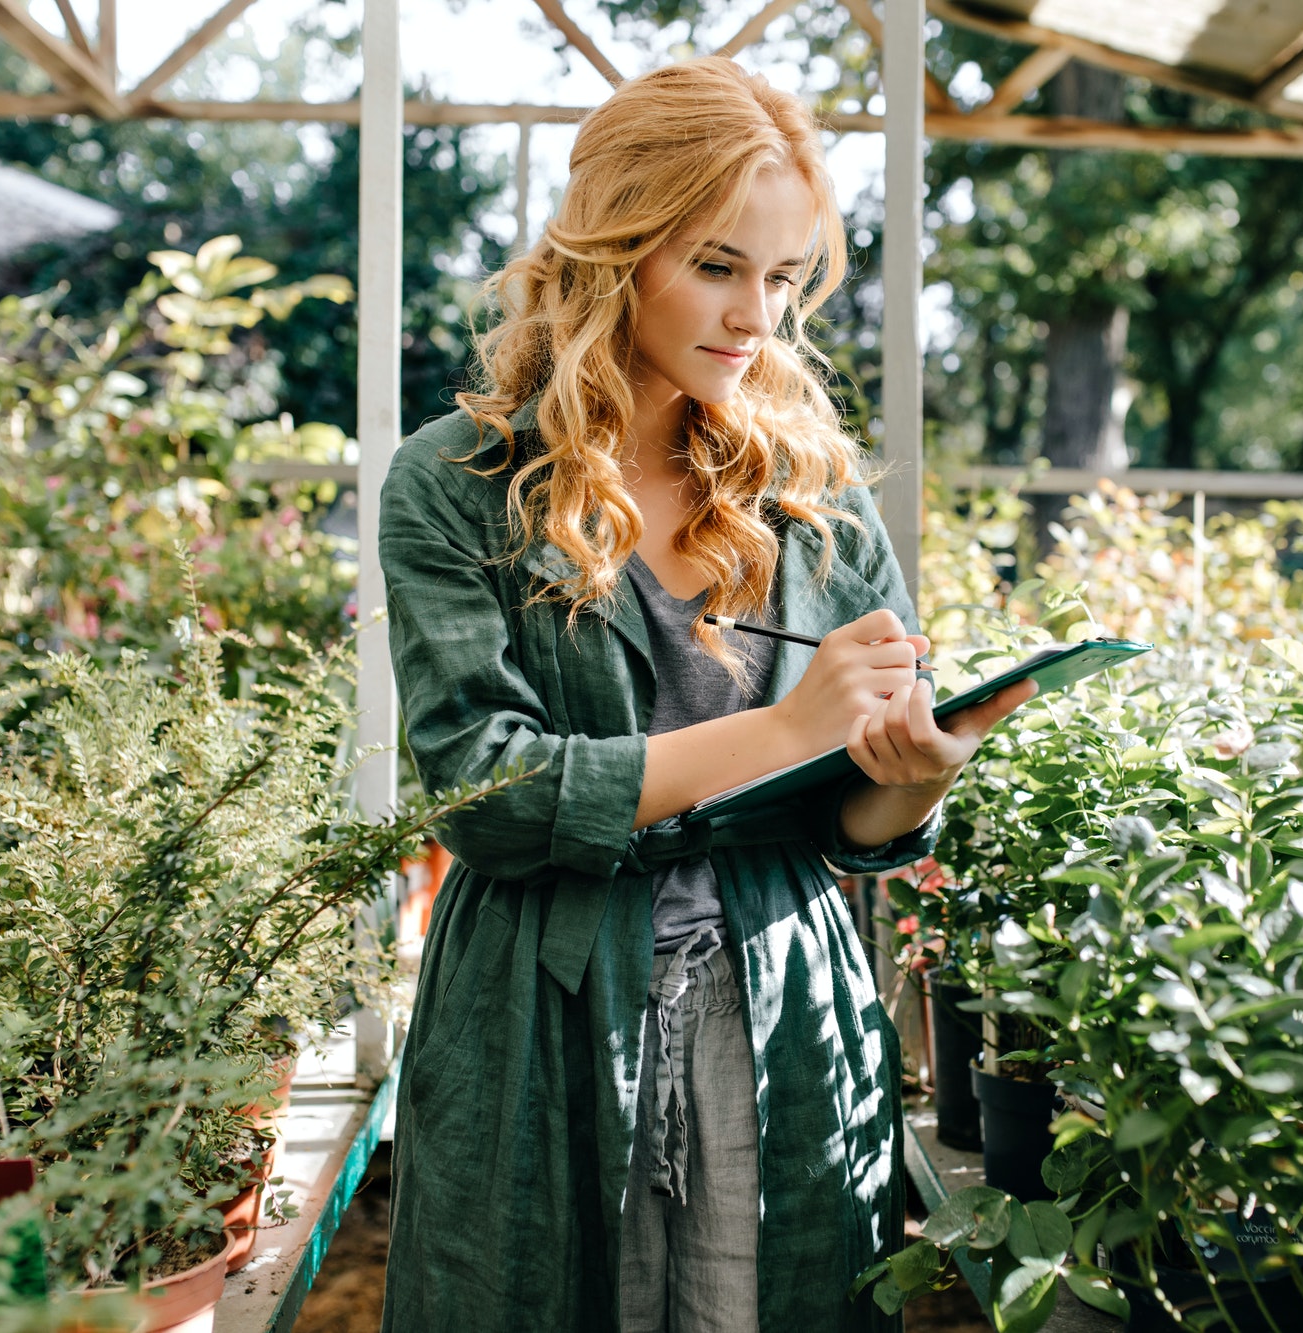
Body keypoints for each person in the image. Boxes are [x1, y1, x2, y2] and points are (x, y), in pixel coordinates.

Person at [376, 55, 1034, 1333]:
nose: (758, 318)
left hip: (780, 999)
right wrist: (783, 728)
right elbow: (487, 793)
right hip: (545, 1006)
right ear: (613, 249)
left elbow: (848, 825)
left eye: (784, 278)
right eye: (719, 265)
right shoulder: (459, 483)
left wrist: (908, 780)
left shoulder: (814, 495)